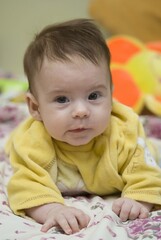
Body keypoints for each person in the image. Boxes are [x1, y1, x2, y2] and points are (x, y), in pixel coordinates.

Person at [6, 18, 161, 235]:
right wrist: (53, 209)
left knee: (153, 149)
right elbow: (26, 185)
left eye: (94, 95)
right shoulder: (33, 142)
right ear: (35, 107)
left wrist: (139, 199)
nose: (81, 111)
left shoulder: (123, 131)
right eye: (62, 99)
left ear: (111, 93)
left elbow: (145, 171)